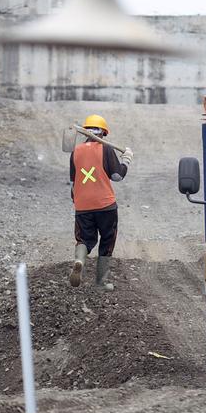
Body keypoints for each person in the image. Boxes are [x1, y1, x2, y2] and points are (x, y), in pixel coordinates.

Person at [68, 114, 133, 290]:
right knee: (107, 239)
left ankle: (79, 260)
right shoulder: (106, 150)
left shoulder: (76, 152)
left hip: (83, 206)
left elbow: (74, 181)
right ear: (103, 133)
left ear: (85, 132)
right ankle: (101, 282)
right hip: (105, 205)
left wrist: (78, 202)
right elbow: (117, 176)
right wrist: (126, 160)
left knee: (83, 239)